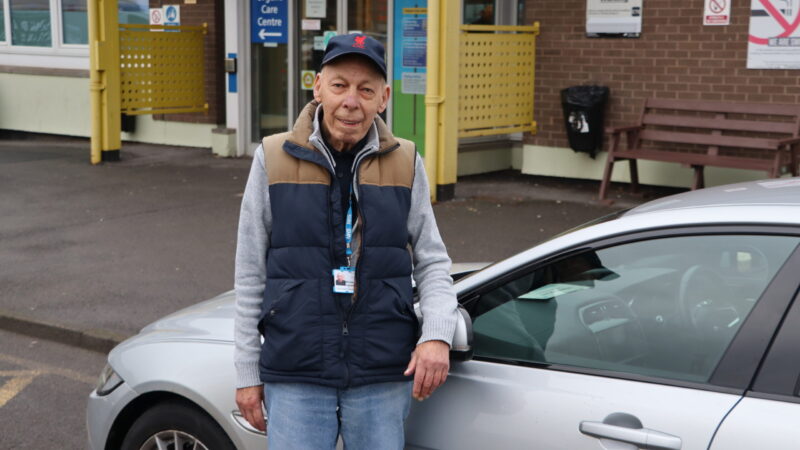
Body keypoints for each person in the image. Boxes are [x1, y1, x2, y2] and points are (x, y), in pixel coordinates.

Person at [233, 33, 458, 450]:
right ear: (318, 87)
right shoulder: (273, 156)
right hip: (297, 369)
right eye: (339, 86)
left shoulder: (406, 160)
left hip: (381, 372)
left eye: (365, 89)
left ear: (383, 98)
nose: (351, 101)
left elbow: (431, 261)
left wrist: (437, 334)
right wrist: (247, 373)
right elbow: (250, 273)